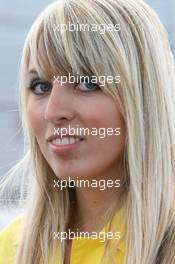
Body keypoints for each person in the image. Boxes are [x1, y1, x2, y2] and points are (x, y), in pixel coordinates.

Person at [0, 0, 175, 263]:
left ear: (143, 94)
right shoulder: (12, 246)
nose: (53, 111)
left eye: (87, 83)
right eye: (40, 86)